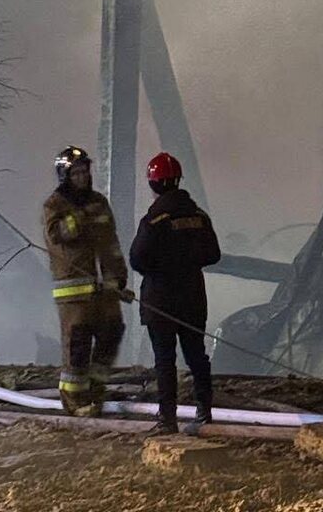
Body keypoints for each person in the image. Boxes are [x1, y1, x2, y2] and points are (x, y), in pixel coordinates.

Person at [130, 152, 221, 435]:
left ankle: (167, 420)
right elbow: (213, 254)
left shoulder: (154, 220)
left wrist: (163, 266)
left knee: (165, 360)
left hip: (161, 301)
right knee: (196, 356)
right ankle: (204, 412)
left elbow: (137, 259)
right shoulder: (199, 217)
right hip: (193, 298)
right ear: (178, 180)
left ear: (153, 183)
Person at [42, 146, 132, 416]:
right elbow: (56, 235)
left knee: (112, 333)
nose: (82, 177)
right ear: (65, 176)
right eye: (76, 173)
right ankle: (74, 401)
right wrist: (81, 216)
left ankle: (95, 390)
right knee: (77, 346)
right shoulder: (55, 204)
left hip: (105, 289)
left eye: (84, 171)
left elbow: (111, 243)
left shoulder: (99, 202)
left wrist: (119, 278)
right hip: (75, 294)